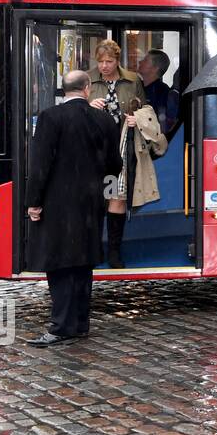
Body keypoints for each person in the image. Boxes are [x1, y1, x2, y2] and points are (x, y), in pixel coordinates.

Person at [24, 71, 122, 346]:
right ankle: (80, 323)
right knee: (82, 263)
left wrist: (34, 202)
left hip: (58, 203)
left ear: (63, 90)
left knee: (60, 264)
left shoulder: (50, 117)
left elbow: (40, 164)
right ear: (87, 89)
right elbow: (115, 164)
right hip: (92, 202)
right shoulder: (103, 118)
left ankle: (61, 327)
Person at [89, 40, 150, 266]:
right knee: (96, 198)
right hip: (94, 148)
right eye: (101, 61)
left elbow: (145, 110)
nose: (104, 66)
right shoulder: (88, 79)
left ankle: (114, 250)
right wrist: (89, 106)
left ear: (118, 60)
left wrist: (138, 119)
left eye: (109, 61)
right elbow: (72, 107)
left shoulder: (132, 80)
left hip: (121, 145)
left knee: (117, 197)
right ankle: (95, 248)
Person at [137, 48, 181, 136]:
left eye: (145, 60)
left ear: (154, 69)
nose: (140, 62)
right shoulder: (135, 87)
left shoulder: (163, 93)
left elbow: (161, 127)